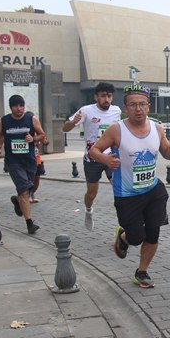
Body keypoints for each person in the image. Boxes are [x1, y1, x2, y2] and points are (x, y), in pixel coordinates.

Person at [89, 84, 170, 288]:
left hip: (153, 190)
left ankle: (142, 272)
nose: (138, 109)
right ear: (125, 108)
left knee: (153, 233)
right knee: (137, 237)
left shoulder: (157, 128)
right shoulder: (116, 129)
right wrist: (106, 160)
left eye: (142, 104)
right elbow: (94, 150)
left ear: (148, 106)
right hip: (127, 194)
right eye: (133, 105)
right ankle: (123, 237)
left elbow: (167, 154)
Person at [63, 82, 121, 230]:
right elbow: (65, 128)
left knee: (119, 188)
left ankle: (125, 219)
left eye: (109, 96)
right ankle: (88, 211)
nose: (106, 99)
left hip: (111, 157)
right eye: (103, 96)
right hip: (92, 158)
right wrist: (73, 122)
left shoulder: (116, 111)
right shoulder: (86, 111)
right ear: (96, 97)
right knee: (91, 193)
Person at [0, 95, 47, 233]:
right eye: (15, 106)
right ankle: (30, 223)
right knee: (24, 190)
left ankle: (18, 201)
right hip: (13, 162)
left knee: (27, 189)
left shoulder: (32, 119)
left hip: (29, 160)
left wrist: (33, 138)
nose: (19, 109)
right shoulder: (3, 121)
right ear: (10, 107)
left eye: (21, 106)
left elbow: (42, 135)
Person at [30, 132, 49, 203]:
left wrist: (43, 138)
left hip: (36, 159)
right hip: (26, 159)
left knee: (36, 178)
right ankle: (27, 195)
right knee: (28, 179)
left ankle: (32, 193)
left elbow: (46, 142)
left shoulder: (37, 132)